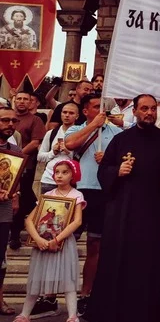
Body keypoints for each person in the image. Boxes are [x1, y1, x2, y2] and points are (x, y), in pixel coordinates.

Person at [84, 94, 160, 322]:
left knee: (149, 268)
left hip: (153, 215)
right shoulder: (121, 140)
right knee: (117, 263)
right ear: (135, 111)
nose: (149, 113)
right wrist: (117, 172)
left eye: (152, 109)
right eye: (144, 108)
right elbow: (104, 172)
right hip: (122, 214)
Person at [62, 95, 122, 317]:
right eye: (96, 107)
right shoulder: (73, 129)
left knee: (95, 245)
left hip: (103, 192)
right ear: (85, 110)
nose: (101, 111)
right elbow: (70, 145)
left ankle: (86, 294)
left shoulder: (116, 133)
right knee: (65, 242)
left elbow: (123, 160)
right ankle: (53, 294)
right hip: (77, 191)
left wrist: (107, 159)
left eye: (103, 108)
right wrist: (93, 127)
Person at [13, 160, 84, 322]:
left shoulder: (76, 195)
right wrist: (38, 239)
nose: (59, 175)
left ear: (73, 175)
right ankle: (25, 314)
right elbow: (29, 220)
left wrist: (57, 239)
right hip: (43, 244)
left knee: (68, 278)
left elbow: (77, 221)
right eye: (57, 172)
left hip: (63, 244)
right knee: (36, 278)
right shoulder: (47, 196)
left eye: (64, 172)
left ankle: (72, 315)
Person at [9, 91, 45, 251]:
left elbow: (36, 142)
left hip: (25, 166)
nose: (22, 102)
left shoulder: (35, 120)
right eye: (19, 99)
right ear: (14, 100)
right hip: (5, 165)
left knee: (20, 199)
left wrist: (17, 155)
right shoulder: (8, 117)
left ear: (31, 102)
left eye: (26, 99)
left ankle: (15, 234)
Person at [0, 107, 21, 316]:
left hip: (3, 211)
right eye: (5, 120)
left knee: (1, 258)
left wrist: (16, 196)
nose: (10, 125)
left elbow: (15, 180)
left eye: (14, 121)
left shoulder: (14, 150)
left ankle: (0, 299)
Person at [37, 102, 79, 193]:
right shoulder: (51, 133)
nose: (67, 115)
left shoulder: (80, 134)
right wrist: (53, 152)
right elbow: (40, 157)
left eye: (71, 113)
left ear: (77, 116)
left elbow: (84, 158)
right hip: (49, 179)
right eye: (64, 112)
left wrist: (68, 152)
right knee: (46, 206)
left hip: (71, 180)